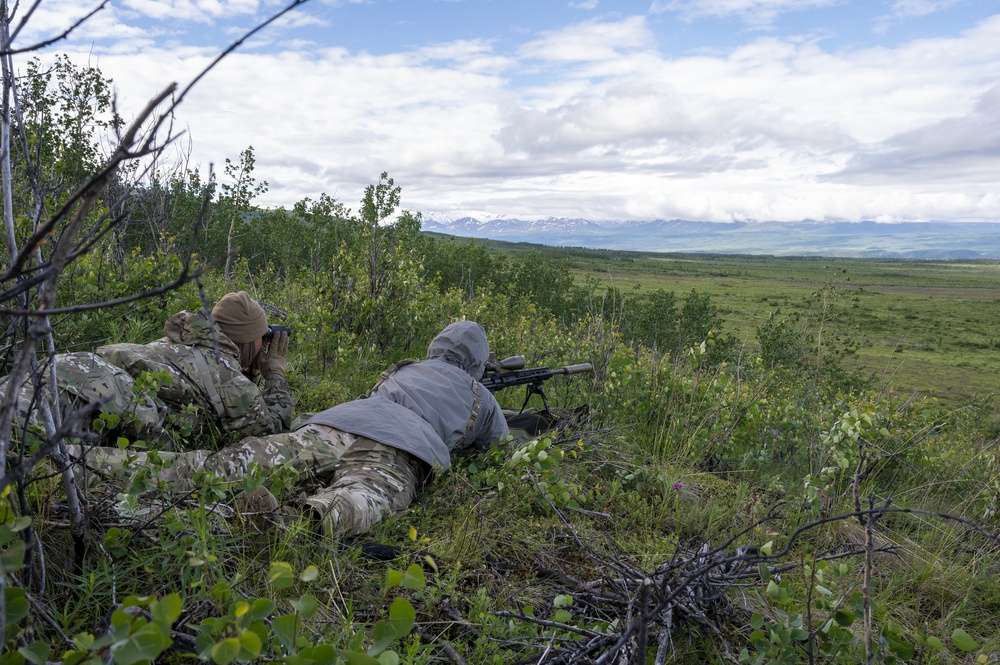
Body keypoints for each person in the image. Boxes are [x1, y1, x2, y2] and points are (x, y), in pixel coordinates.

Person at [78, 320, 509, 539]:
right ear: (477, 361)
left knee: (217, 465)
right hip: (399, 446)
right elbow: (498, 447)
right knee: (362, 498)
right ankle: (290, 522)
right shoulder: (479, 394)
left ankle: (83, 464)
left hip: (333, 423)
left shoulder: (405, 368)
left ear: (437, 346)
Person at [96, 291, 294, 442]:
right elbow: (269, 433)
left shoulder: (178, 342)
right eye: (261, 337)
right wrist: (275, 374)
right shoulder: (227, 377)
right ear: (247, 340)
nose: (263, 342)